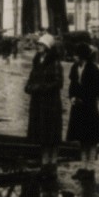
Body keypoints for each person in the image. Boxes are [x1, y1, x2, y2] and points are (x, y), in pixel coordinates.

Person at [25, 33, 65, 176]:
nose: (38, 47)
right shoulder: (37, 60)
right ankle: (44, 162)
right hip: (38, 102)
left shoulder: (54, 63)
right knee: (41, 133)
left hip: (50, 102)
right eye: (38, 44)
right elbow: (31, 77)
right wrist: (29, 87)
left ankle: (52, 163)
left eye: (41, 45)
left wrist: (42, 88)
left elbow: (58, 82)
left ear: (48, 47)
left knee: (51, 133)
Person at [66, 45, 99, 177]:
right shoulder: (74, 68)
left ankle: (91, 168)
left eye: (77, 55)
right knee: (82, 138)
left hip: (89, 107)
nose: (74, 57)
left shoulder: (92, 69)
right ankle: (83, 166)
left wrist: (85, 97)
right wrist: (72, 97)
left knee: (91, 139)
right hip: (78, 107)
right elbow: (72, 84)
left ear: (83, 56)